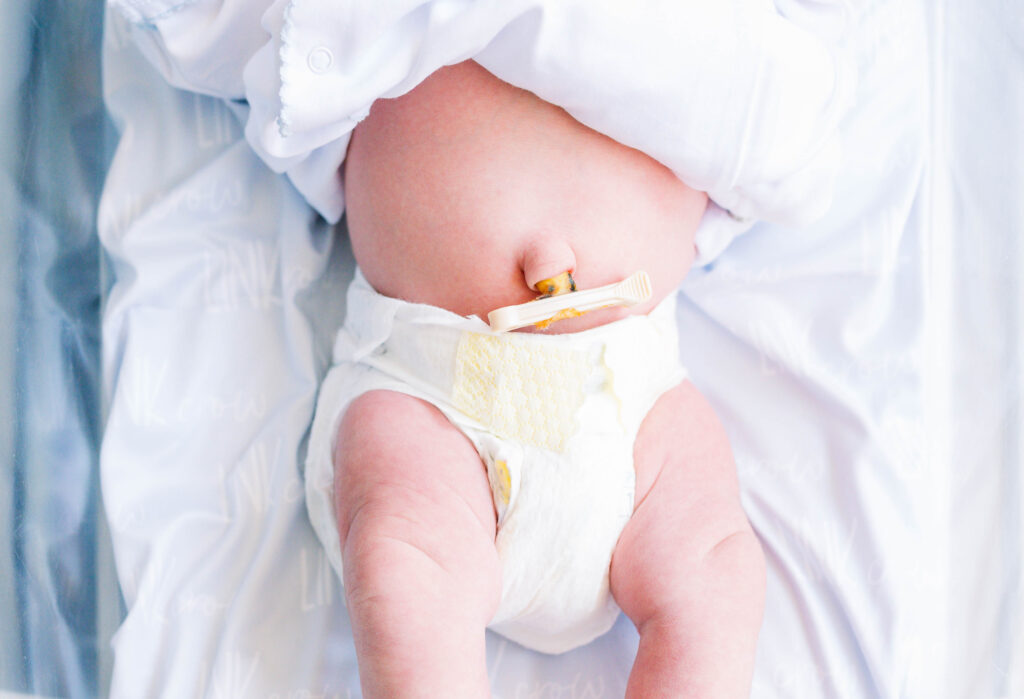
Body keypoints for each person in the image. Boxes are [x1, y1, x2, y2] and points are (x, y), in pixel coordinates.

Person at [303, 59, 766, 698]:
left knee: (717, 572)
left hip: (635, 395)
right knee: (406, 562)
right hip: (434, 390)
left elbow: (773, 104)